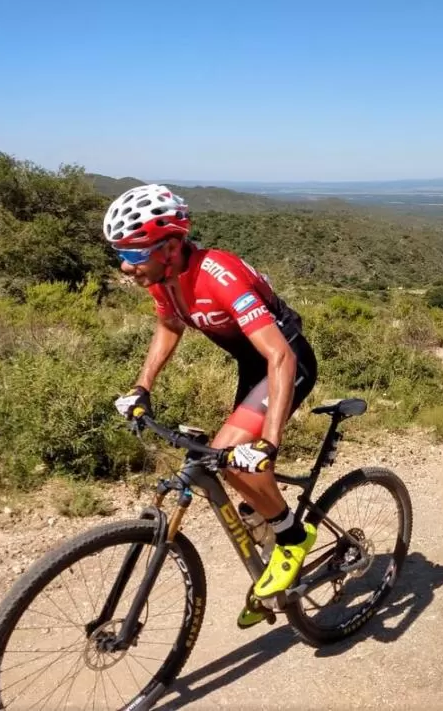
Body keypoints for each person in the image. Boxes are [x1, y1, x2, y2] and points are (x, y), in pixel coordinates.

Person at [103, 183, 318, 629]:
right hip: (253, 367)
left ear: (172, 246)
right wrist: (142, 386)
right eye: (121, 253)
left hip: (286, 362)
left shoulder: (219, 274)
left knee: (238, 460)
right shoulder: (164, 278)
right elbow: (168, 327)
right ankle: (268, 536)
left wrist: (269, 443)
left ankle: (293, 537)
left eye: (136, 254)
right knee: (226, 462)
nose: (127, 266)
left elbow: (280, 355)